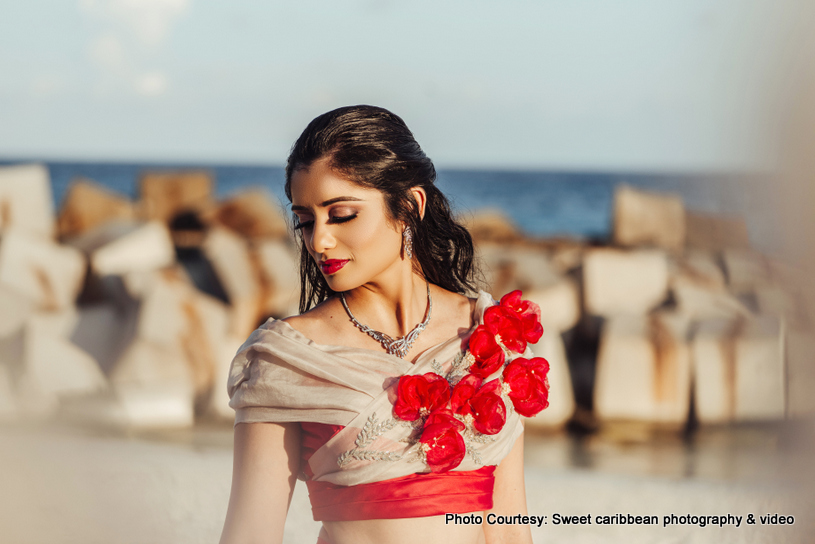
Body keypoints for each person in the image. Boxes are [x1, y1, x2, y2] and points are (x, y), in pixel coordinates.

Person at [219, 105, 548, 544]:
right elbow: (250, 535)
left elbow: (509, 528)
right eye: (304, 220)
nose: (319, 241)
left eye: (341, 215)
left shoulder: (489, 336)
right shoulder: (288, 359)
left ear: (410, 206)